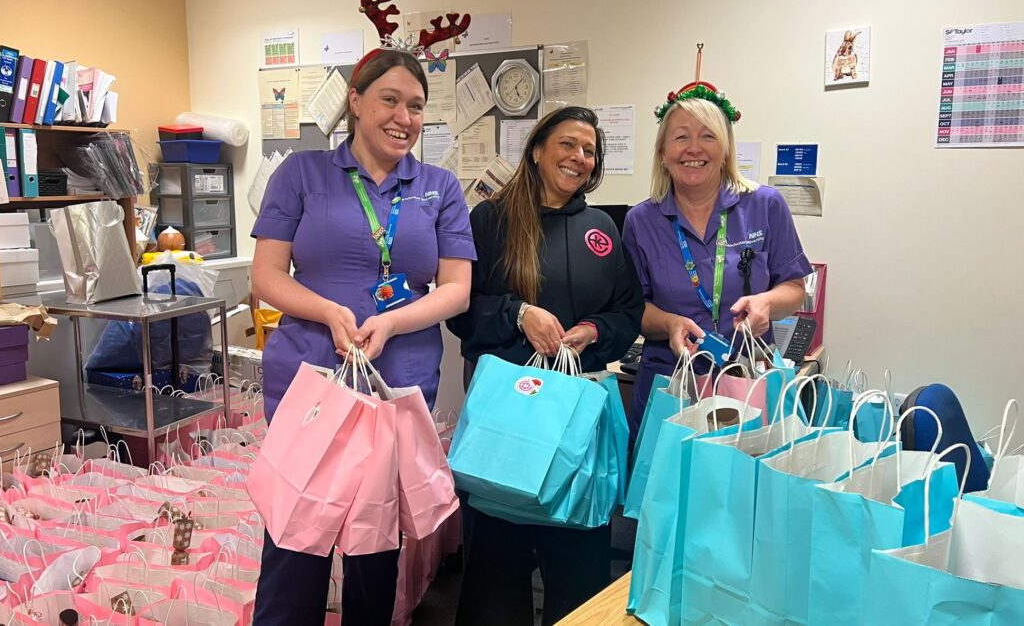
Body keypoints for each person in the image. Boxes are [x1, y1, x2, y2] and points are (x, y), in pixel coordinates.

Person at [250, 47, 475, 626]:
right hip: (312, 381)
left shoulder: (440, 187)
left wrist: (395, 320)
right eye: (390, 100)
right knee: (296, 538)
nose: (404, 117)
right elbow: (266, 275)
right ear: (355, 101)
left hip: (396, 387)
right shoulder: (302, 174)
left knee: (376, 545)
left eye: (417, 106)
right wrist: (328, 311)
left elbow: (456, 289)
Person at [447, 106, 644, 626]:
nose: (579, 157)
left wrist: (594, 332)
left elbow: (627, 311)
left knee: (578, 579)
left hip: (577, 429)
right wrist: (518, 314)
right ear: (537, 149)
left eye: (589, 150)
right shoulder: (489, 220)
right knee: (495, 580)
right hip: (507, 429)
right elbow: (461, 313)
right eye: (568, 145)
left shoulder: (601, 227)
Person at [622, 80, 812, 442]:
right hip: (671, 381)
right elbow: (635, 309)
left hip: (748, 379)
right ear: (663, 152)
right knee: (663, 490)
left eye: (708, 136)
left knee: (740, 489)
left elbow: (794, 289)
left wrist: (766, 303)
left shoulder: (765, 205)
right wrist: (670, 323)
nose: (694, 148)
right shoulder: (640, 221)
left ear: (726, 150)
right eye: (680, 137)